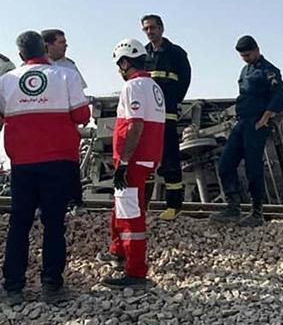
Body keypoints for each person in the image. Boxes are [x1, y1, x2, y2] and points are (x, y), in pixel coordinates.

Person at [0, 31, 90, 304]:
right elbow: (82, 116)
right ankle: (52, 285)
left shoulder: (6, 81)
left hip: (22, 164)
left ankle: (13, 287)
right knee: (53, 223)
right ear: (45, 50)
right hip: (58, 162)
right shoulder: (67, 76)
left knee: (19, 223)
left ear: (20, 55)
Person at [97, 39, 165, 288]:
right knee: (123, 205)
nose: (118, 70)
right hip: (146, 156)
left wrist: (124, 162)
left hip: (134, 159)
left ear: (125, 62)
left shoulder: (133, 87)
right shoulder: (154, 86)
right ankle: (118, 252)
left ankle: (135, 271)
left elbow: (135, 126)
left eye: (119, 65)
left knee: (130, 214)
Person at [211, 36, 283, 226]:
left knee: (254, 167)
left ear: (257, 49)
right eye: (242, 56)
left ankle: (256, 212)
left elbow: (280, 95)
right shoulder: (245, 70)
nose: (245, 58)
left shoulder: (269, 70)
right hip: (242, 121)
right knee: (226, 163)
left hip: (256, 122)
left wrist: (264, 119)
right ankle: (233, 207)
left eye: (248, 54)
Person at [141, 14, 190, 221]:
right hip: (147, 114)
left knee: (170, 158)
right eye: (146, 29)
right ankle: (143, 204)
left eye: (152, 27)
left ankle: (174, 205)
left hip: (167, 112)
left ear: (161, 28)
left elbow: (185, 79)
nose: (150, 32)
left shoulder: (176, 53)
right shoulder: (142, 54)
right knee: (145, 160)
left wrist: (172, 100)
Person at [41, 29, 88, 214]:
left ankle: (75, 201)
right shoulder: (33, 68)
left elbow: (79, 94)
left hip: (65, 124)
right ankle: (42, 203)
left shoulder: (69, 67)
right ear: (47, 45)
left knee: (69, 164)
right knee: (43, 167)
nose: (65, 45)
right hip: (42, 126)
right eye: (61, 42)